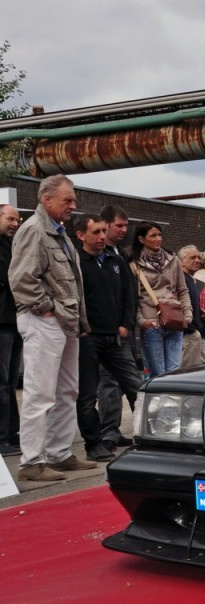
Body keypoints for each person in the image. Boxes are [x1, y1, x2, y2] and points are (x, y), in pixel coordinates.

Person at [8, 174, 97, 481]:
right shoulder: (34, 229)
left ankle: (59, 454)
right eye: (67, 200)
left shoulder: (58, 231)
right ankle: (31, 462)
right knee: (40, 393)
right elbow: (21, 280)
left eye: (73, 200)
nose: (73, 205)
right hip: (45, 320)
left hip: (62, 321)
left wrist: (74, 319)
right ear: (47, 200)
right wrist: (48, 308)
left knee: (67, 391)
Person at [73, 213, 141, 462]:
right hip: (88, 338)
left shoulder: (116, 260)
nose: (102, 236)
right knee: (88, 394)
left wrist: (125, 324)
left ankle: (148, 436)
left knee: (137, 387)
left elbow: (128, 295)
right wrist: (81, 327)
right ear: (81, 235)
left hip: (116, 337)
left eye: (104, 231)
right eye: (96, 232)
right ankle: (94, 444)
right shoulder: (76, 262)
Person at [95, 204, 136, 448]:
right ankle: (109, 432)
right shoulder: (95, 256)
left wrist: (127, 323)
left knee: (130, 382)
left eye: (125, 226)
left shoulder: (120, 255)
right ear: (106, 224)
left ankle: (127, 429)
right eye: (119, 225)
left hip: (123, 328)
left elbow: (128, 293)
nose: (123, 230)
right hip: (104, 331)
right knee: (109, 382)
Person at [129, 222, 192, 376]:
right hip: (152, 322)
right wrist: (142, 322)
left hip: (175, 320)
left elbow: (182, 290)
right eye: (153, 235)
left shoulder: (173, 259)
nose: (158, 239)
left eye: (159, 235)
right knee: (158, 374)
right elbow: (133, 297)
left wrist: (188, 316)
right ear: (141, 239)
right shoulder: (134, 264)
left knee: (174, 372)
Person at [0, 204, 22, 456]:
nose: (15, 224)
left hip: (14, 320)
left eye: (17, 220)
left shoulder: (11, 245)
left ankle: (11, 434)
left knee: (11, 382)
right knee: (3, 382)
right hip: (3, 322)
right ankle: (2, 438)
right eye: (10, 219)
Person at [177, 245, 205, 367]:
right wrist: (191, 329)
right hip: (190, 334)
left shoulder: (191, 280)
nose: (197, 260)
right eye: (192, 258)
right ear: (181, 262)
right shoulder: (180, 280)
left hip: (197, 333)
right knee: (189, 372)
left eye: (198, 257)